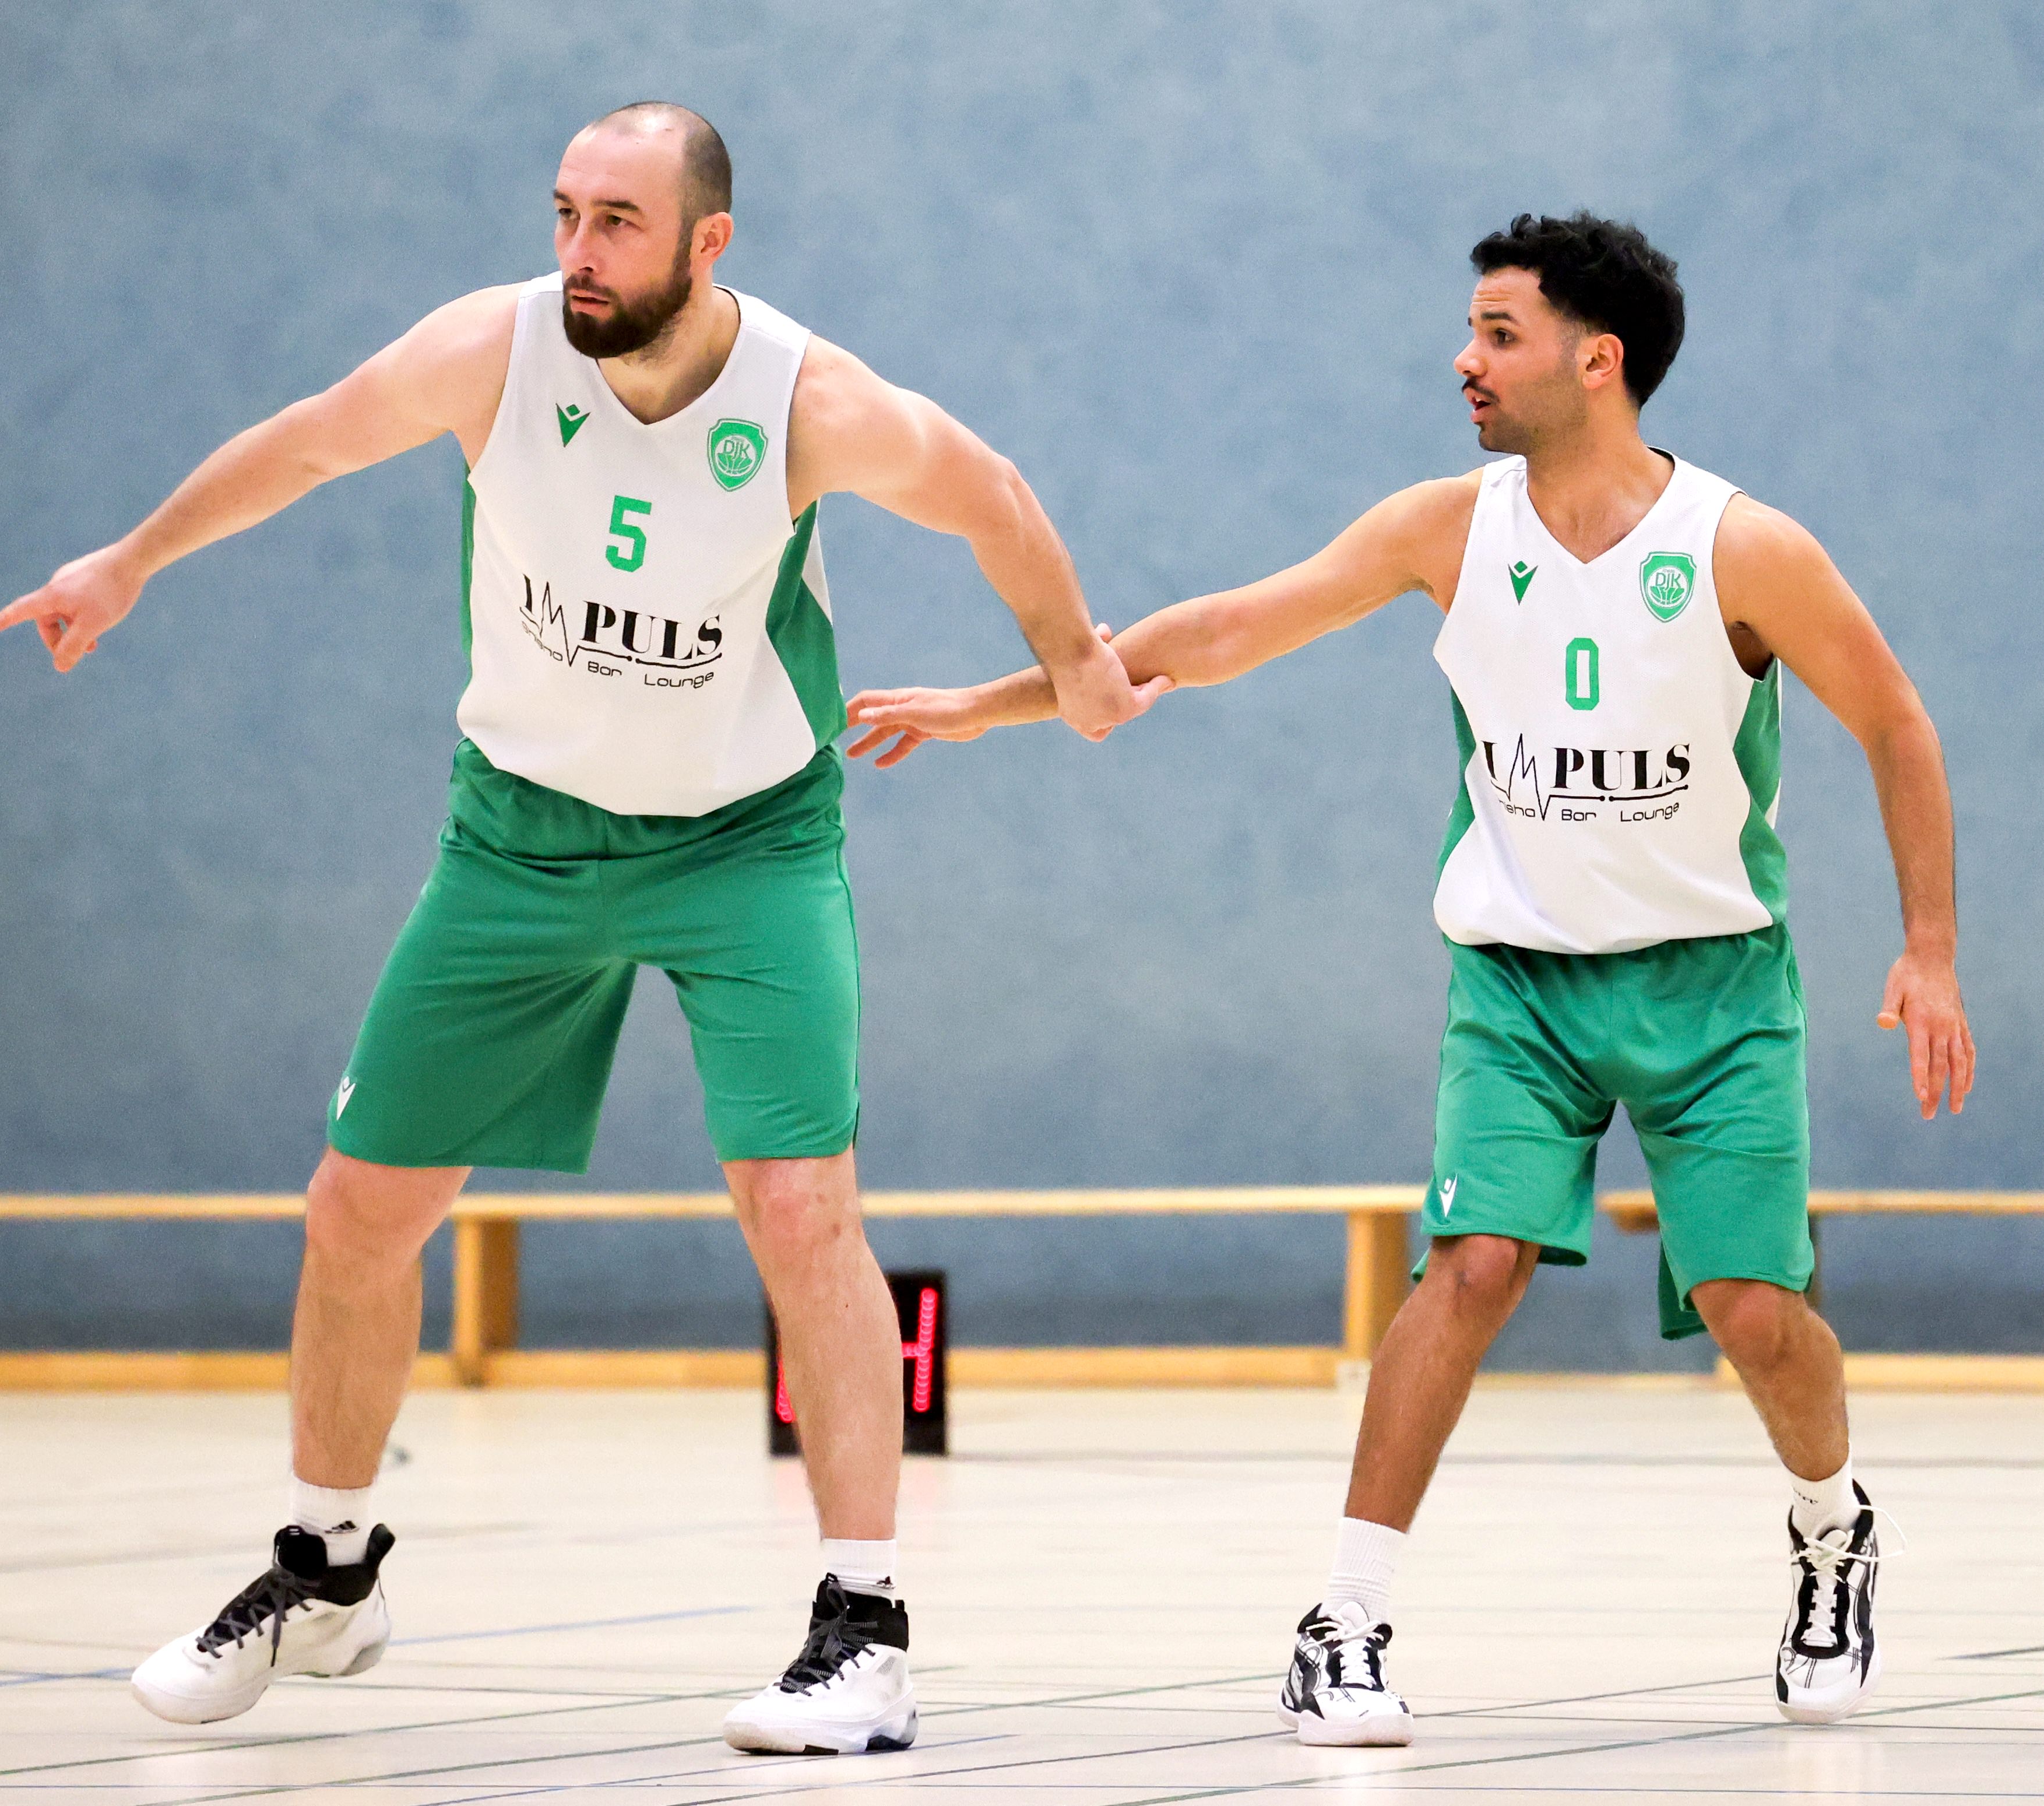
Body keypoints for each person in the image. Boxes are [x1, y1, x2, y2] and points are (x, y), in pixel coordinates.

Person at [0, 100, 1153, 1755]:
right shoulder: (492, 351)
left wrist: (1078, 663)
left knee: (802, 1207)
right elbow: (309, 441)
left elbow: (993, 494)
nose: (578, 251)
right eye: (564, 214)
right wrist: (129, 560)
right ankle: (326, 1575)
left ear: (708, 242)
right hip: (517, 842)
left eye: (617, 221)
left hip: (746, 842)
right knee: (357, 1208)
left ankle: (865, 1633)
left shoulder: (807, 401)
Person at [842, 212, 1975, 1746]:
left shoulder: (1742, 548)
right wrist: (1001, 703)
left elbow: (1897, 724)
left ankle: (1832, 1525)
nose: (1464, 359)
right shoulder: (1445, 528)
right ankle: (1344, 1619)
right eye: (1470, 329)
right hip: (1519, 985)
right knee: (1471, 1265)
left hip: (1714, 990)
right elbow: (1225, 628)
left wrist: (1928, 950)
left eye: (1499, 333)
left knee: (1752, 1310)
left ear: (1597, 359)